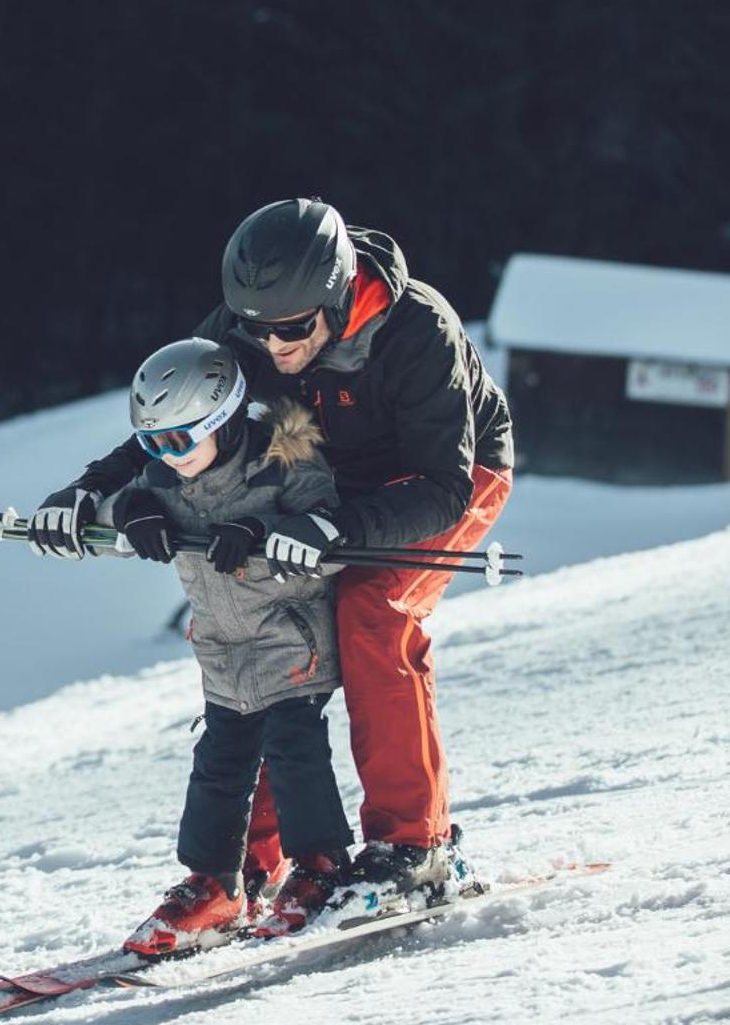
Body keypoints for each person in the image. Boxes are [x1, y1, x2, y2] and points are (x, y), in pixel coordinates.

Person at [29, 198, 515, 918]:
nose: (273, 346)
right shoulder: (244, 330)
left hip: (433, 481)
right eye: (257, 330)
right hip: (310, 476)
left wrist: (331, 527)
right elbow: (181, 420)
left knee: (369, 611)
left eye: (291, 330)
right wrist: (92, 489)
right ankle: (245, 871)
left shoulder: (417, 329)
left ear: (337, 296)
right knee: (263, 631)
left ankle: (415, 848)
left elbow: (442, 486)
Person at [93, 335, 354, 955]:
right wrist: (132, 509)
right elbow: (106, 510)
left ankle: (320, 871)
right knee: (218, 768)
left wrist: (265, 530)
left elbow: (330, 524)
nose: (167, 455)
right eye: (154, 442)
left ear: (224, 420)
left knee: (295, 755)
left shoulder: (283, 458)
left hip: (290, 643)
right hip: (223, 653)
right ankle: (214, 884)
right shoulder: (165, 475)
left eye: (180, 439)